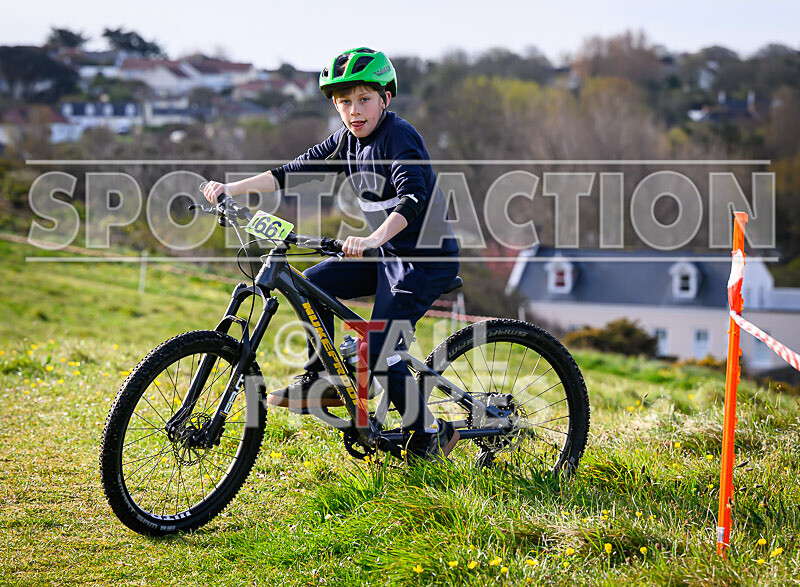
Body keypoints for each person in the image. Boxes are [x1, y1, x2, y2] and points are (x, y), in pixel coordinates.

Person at [203, 47, 460, 460]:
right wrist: (230, 190)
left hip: (424, 259)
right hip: (386, 254)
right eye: (344, 102)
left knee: (377, 349)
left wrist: (374, 239)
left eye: (364, 100)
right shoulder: (346, 140)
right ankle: (323, 378)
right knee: (313, 282)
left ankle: (428, 435)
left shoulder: (399, 136)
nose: (354, 111)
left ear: (385, 99)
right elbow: (294, 170)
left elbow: (412, 200)